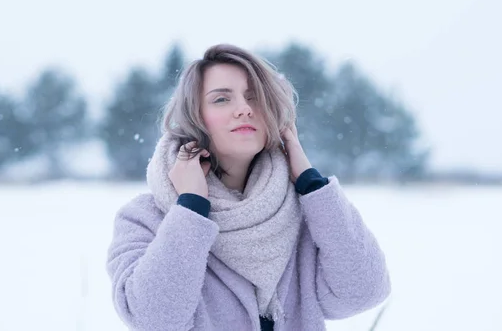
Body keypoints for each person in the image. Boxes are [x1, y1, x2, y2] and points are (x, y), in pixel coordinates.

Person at [106, 44, 391, 331]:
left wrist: (310, 181)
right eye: (221, 99)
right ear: (194, 117)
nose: (244, 109)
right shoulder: (145, 218)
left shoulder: (304, 215)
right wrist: (191, 207)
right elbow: (153, 320)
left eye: (254, 98)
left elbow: (363, 292)